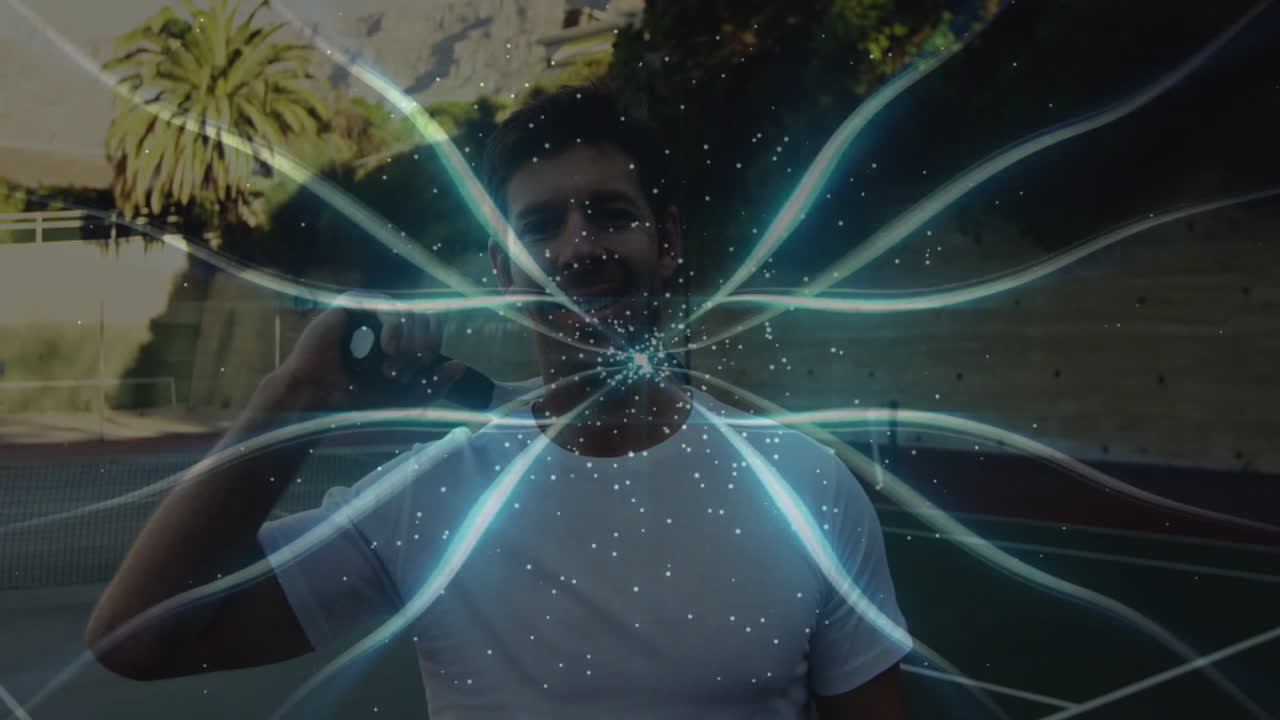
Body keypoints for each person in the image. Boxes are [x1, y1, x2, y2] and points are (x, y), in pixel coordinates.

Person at [85, 83, 910, 718]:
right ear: (501, 269)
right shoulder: (427, 497)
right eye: (541, 225)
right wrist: (296, 394)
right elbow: (138, 637)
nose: (579, 246)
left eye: (610, 215)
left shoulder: (806, 487)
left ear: (667, 243)